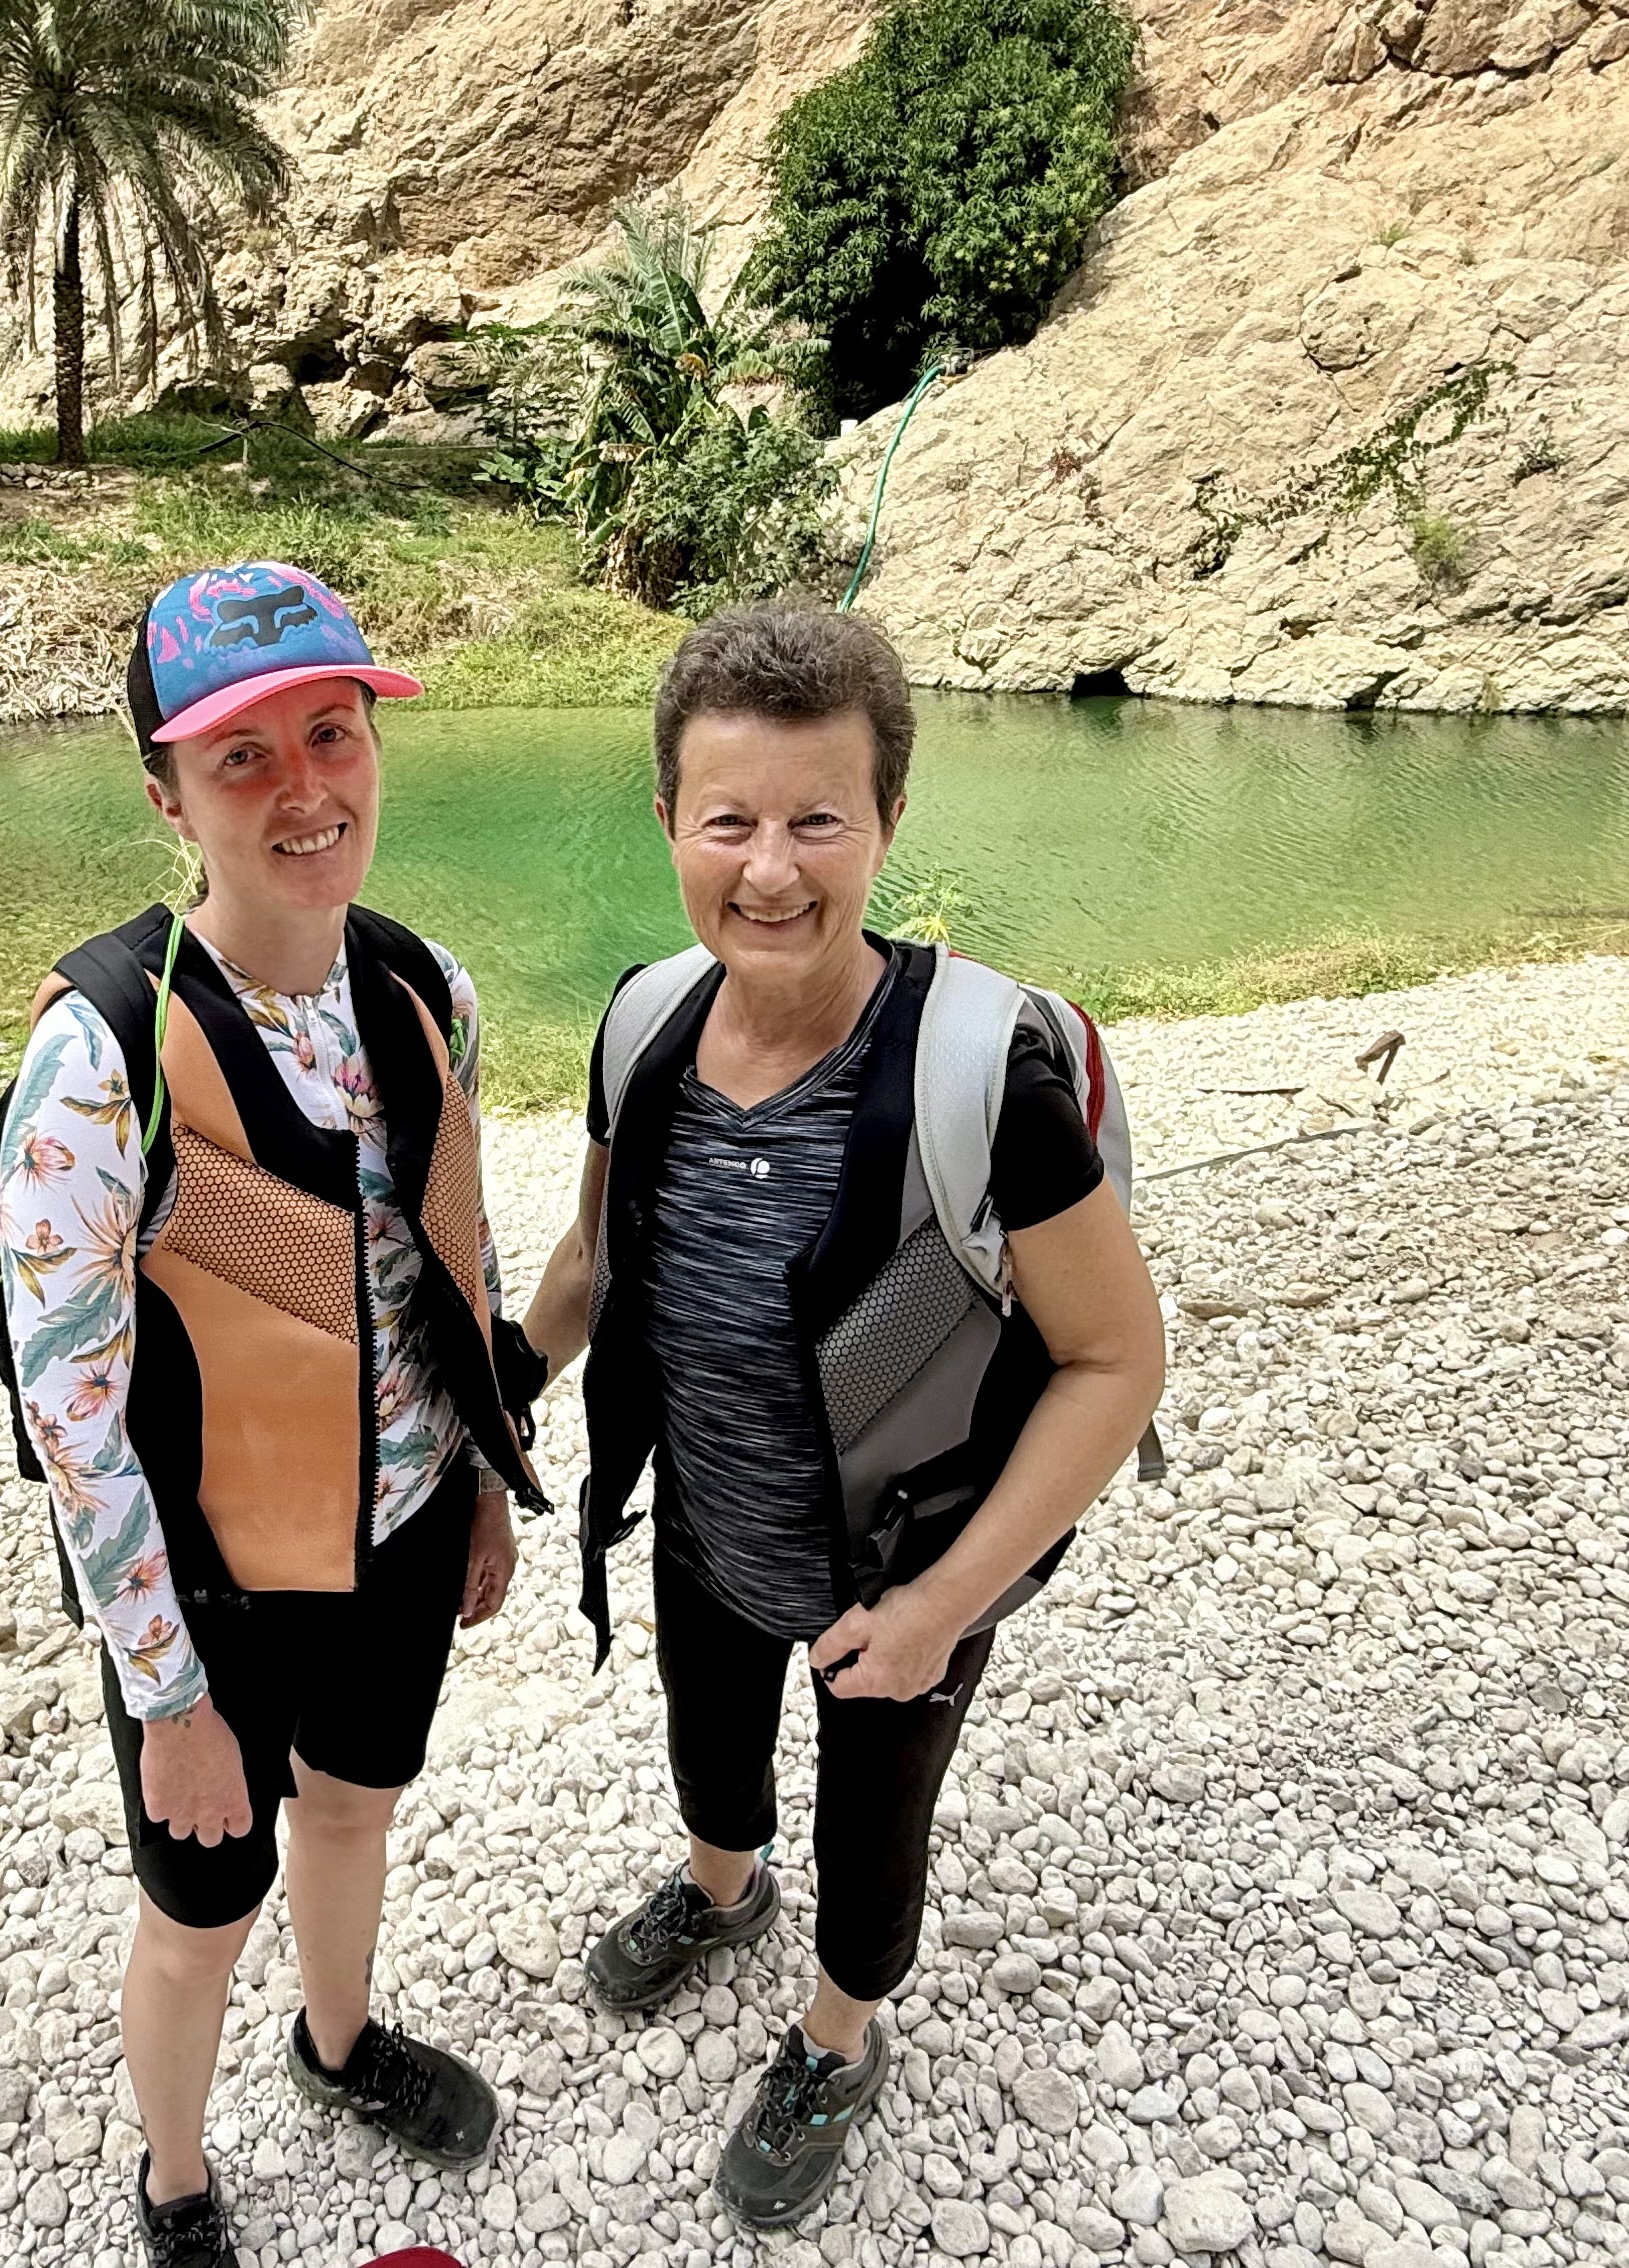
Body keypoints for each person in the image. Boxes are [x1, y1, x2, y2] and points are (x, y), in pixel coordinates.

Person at [522, 604, 1168, 2231]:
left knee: (876, 1824)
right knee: (708, 1744)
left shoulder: (981, 1081)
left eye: (819, 820)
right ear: (665, 817)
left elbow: (1115, 1361)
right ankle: (722, 1888)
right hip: (706, 1520)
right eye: (728, 821)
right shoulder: (644, 1025)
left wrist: (947, 1605)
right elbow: (594, 1259)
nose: (771, 870)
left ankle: (837, 2037)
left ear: (888, 818)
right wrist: (491, 1390)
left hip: (904, 1562)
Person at [0, 562, 548, 2268]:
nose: (305, 791)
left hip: (404, 1526)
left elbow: (455, 1247)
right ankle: (173, 2179)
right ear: (168, 795)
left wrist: (487, 1476)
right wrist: (169, 1697)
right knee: (200, 1907)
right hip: (211, 1588)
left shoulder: (427, 988)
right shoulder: (103, 1057)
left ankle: (341, 2040)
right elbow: (73, 1414)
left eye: (332, 733)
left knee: (356, 1806)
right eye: (243, 757)